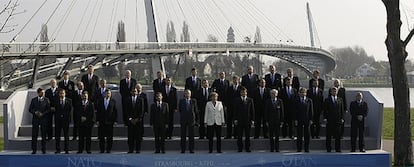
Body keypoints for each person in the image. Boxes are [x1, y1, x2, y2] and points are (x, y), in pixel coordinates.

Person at [233, 87, 255, 152]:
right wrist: (235, 119)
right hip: (239, 120)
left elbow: (252, 110)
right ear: (240, 93)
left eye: (244, 92)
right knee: (239, 135)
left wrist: (253, 120)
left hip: (248, 120)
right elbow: (235, 110)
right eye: (242, 92)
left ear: (246, 92)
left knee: (247, 135)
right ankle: (240, 148)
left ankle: (247, 147)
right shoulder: (237, 100)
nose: (243, 93)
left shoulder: (250, 100)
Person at [29, 88, 50, 154]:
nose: (43, 94)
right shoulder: (34, 100)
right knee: (34, 135)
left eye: (43, 92)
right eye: (41, 92)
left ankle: (43, 149)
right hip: (36, 119)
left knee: (44, 135)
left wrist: (42, 114)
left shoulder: (47, 100)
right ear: (38, 93)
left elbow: (48, 109)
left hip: (43, 119)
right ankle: (34, 149)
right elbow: (30, 109)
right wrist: (35, 112)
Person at [323, 87, 345, 152]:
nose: (334, 92)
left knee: (338, 136)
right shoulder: (327, 100)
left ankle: (337, 148)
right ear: (330, 92)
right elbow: (325, 110)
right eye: (333, 91)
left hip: (337, 120)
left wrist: (342, 118)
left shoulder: (340, 99)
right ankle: (328, 148)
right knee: (328, 135)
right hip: (330, 120)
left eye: (335, 91)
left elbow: (342, 110)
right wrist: (325, 118)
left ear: (337, 92)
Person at [96, 89, 118, 153]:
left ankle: (108, 149)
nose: (108, 94)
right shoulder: (100, 101)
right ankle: (102, 149)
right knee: (101, 137)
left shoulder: (113, 101)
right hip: (102, 121)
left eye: (109, 93)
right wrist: (97, 120)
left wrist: (115, 121)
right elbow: (98, 112)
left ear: (110, 94)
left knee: (109, 137)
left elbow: (115, 112)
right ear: (104, 94)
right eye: (106, 93)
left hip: (110, 122)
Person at [125, 88, 144, 153]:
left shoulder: (140, 99)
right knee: (130, 136)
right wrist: (130, 119)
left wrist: (137, 119)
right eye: (133, 91)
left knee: (138, 136)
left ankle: (138, 149)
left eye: (135, 91)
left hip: (138, 121)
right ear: (131, 92)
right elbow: (126, 111)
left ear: (137, 92)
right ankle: (131, 149)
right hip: (130, 121)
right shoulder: (127, 100)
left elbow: (142, 111)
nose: (134, 92)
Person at [54, 89, 73, 154]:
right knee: (57, 135)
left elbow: (69, 111)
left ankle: (66, 149)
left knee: (66, 135)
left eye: (63, 93)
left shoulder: (69, 101)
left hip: (66, 120)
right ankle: (58, 149)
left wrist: (67, 118)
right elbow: (55, 110)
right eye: (61, 93)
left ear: (65, 94)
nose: (62, 95)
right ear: (59, 94)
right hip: (58, 120)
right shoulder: (56, 101)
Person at [295, 88, 313, 152]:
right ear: (299, 93)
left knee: (307, 135)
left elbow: (311, 111)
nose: (303, 93)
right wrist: (296, 119)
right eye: (302, 92)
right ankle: (299, 148)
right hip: (299, 119)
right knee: (299, 135)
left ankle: (306, 148)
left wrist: (311, 119)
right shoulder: (296, 100)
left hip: (307, 119)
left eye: (304, 92)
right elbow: (295, 111)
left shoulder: (309, 100)